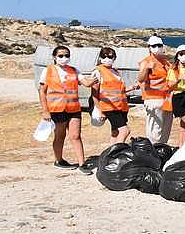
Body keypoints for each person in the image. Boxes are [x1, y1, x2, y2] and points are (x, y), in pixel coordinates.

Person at [38, 45, 97, 174]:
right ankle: (59, 160)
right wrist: (45, 110)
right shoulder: (48, 71)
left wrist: (96, 77)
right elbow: (42, 91)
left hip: (73, 108)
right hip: (57, 109)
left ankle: (82, 163)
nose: (64, 58)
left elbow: (86, 83)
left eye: (67, 55)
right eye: (61, 56)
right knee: (60, 136)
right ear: (54, 57)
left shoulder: (74, 70)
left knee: (75, 135)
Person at [91, 47, 138, 145]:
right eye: (104, 56)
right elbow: (94, 94)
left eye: (110, 57)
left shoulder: (116, 72)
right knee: (125, 131)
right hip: (109, 107)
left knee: (115, 132)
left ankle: (111, 153)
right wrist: (100, 111)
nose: (107, 59)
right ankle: (116, 152)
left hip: (120, 107)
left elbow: (121, 91)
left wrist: (133, 87)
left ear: (114, 58)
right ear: (100, 57)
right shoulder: (98, 72)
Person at [137, 36, 173, 144]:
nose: (157, 48)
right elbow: (140, 79)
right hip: (153, 99)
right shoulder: (146, 62)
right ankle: (153, 151)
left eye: (159, 45)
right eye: (154, 46)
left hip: (167, 99)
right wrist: (147, 68)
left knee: (165, 129)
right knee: (155, 130)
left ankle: (162, 150)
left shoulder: (166, 62)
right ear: (149, 48)